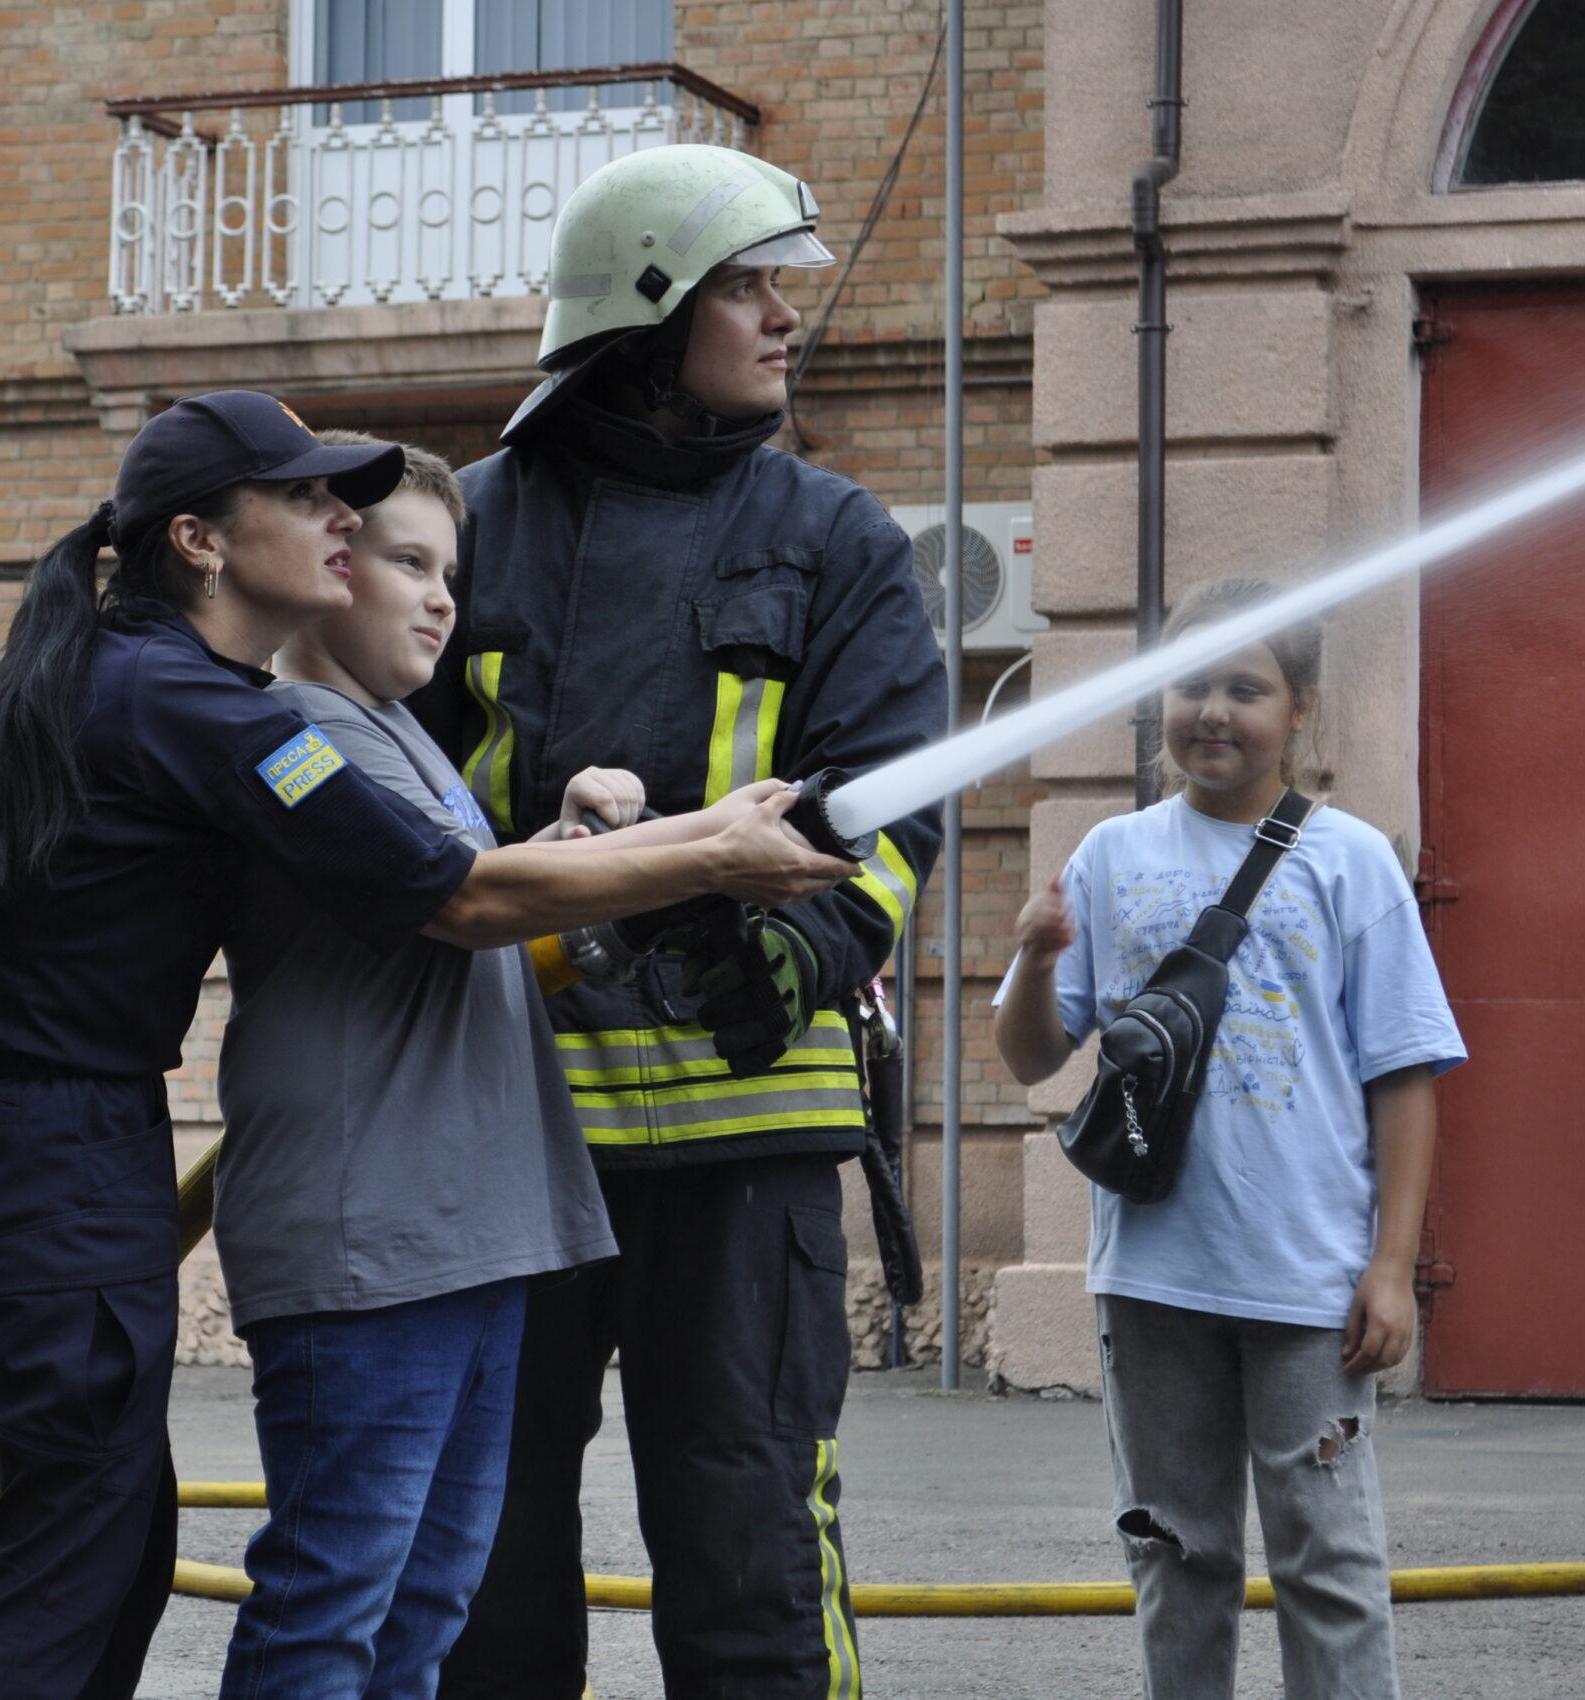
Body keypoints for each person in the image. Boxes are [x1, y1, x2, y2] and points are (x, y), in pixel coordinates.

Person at [0, 392, 856, 1700]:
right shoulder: (208, 708)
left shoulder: (160, 683)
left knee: (116, 1535)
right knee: (90, 1541)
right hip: (38, 1145)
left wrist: (651, 847)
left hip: (53, 1135)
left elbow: (458, 877)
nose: (338, 520)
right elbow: (457, 900)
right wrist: (709, 851)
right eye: (303, 501)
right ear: (201, 542)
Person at [417, 145, 947, 1699]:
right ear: (649, 317)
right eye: (747, 284)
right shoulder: (466, 530)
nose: (788, 316)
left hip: (747, 1130)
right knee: (490, 1571)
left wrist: (781, 955)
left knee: (750, 1555)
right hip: (508, 1134)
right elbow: (389, 802)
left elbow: (894, 815)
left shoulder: (834, 538)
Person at [215, 431, 778, 1698]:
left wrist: (582, 858)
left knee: (423, 1612)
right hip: (374, 1240)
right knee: (335, 1605)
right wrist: (702, 851)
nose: (438, 598)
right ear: (329, 566)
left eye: (448, 574)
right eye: (404, 561)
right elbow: (463, 908)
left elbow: (487, 951)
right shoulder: (297, 734)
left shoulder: (395, 736)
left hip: (468, 1233)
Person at [991, 578, 1466, 1700]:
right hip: (1152, 1276)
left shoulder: (1350, 860)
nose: (1213, 709)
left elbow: (1403, 1078)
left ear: (1297, 708)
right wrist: (1037, 953)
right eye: (1190, 684)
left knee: (1329, 1560)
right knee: (1175, 1553)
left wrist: (1390, 1268)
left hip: (1309, 1280)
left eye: (1244, 688)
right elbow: (1025, 1057)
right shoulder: (1109, 853)